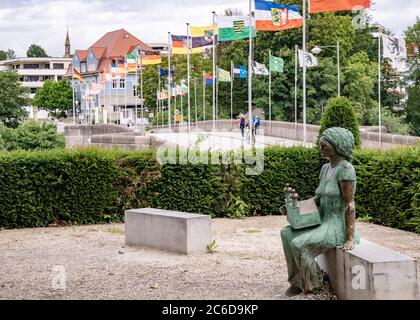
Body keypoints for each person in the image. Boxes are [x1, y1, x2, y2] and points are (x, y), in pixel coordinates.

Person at [280, 127, 360, 296]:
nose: (321, 148)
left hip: (336, 225)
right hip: (321, 220)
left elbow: (350, 204)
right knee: (287, 234)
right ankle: (297, 282)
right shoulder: (325, 168)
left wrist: (350, 238)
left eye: (325, 145)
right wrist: (294, 209)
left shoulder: (346, 169)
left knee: (300, 245)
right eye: (321, 145)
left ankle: (314, 289)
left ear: (338, 146)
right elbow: (318, 198)